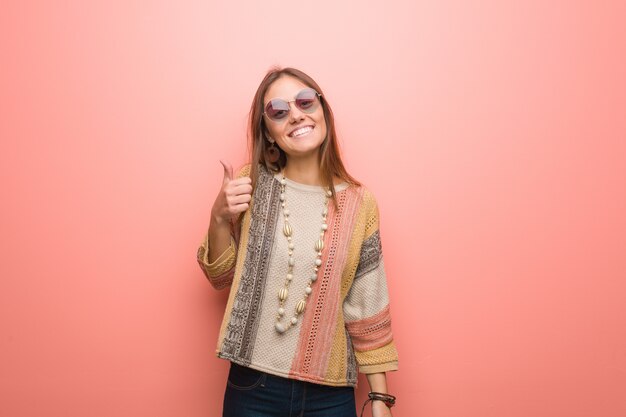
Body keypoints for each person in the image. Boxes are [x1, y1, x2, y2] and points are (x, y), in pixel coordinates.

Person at [197, 67, 399, 417]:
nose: (296, 114)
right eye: (278, 110)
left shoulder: (359, 203)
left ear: (322, 111)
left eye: (305, 101)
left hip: (330, 396)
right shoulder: (251, 183)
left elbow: (367, 305)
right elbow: (221, 279)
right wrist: (217, 217)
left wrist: (380, 400)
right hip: (253, 389)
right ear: (269, 133)